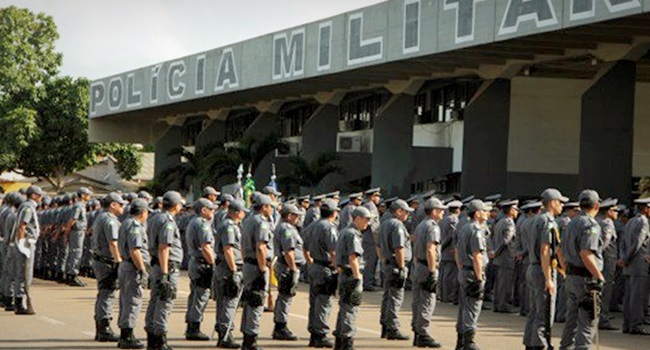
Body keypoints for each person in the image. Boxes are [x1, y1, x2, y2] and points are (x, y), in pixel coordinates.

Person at [559, 190, 606, 349]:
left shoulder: (571, 223)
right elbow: (586, 253)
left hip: (572, 276)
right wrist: (599, 276)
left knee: (571, 320)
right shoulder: (591, 225)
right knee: (587, 322)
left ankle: (565, 347)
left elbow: (559, 250)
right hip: (587, 279)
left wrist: (567, 270)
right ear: (597, 205)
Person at [523, 189, 567, 350]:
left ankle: (530, 343)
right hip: (542, 269)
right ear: (553, 202)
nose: (562, 205)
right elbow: (545, 250)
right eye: (560, 202)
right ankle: (541, 344)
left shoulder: (536, 219)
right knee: (545, 311)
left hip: (533, 267)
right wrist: (548, 278)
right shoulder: (548, 221)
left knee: (535, 311)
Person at [145, 191, 184, 350]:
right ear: (175, 205)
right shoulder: (167, 221)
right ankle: (160, 340)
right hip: (165, 266)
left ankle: (152, 336)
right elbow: (164, 248)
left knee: (155, 300)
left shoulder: (155, 217)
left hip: (157, 265)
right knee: (164, 300)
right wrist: (166, 273)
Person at [333, 206, 373, 350]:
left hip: (344, 274)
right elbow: (353, 258)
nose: (368, 223)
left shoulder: (345, 231)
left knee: (344, 308)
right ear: (357, 218)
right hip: (351, 275)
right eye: (366, 219)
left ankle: (339, 341)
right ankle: (347, 342)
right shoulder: (352, 234)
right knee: (350, 309)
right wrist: (358, 279)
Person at [240, 194, 275, 350]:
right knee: (256, 300)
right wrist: (262, 270)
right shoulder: (261, 222)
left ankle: (247, 336)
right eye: (270, 206)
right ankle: (251, 339)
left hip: (248, 264)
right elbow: (261, 247)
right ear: (264, 207)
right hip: (256, 265)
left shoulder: (248, 220)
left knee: (249, 300)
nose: (272, 209)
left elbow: (242, 246)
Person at [454, 199, 490, 350]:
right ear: (477, 213)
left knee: (464, 306)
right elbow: (477, 256)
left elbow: (457, 251)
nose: (487, 213)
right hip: (473, 272)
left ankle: (461, 341)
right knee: (472, 308)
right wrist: (479, 277)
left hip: (465, 270)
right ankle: (469, 342)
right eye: (484, 210)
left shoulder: (464, 228)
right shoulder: (476, 230)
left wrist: (461, 267)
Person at [410, 198, 446, 348]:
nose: (443, 212)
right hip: (427, 267)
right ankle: (423, 333)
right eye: (441, 209)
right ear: (434, 211)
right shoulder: (432, 227)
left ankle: (418, 332)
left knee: (418, 300)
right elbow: (431, 249)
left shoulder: (421, 225)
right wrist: (432, 272)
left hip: (419, 265)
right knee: (427, 301)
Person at [92, 192, 128, 342]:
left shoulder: (102, 217)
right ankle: (104, 329)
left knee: (104, 293)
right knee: (107, 294)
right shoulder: (110, 220)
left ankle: (101, 327)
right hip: (107, 262)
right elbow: (113, 243)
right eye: (121, 204)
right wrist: (119, 262)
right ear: (113, 204)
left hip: (102, 260)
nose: (123, 208)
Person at [117, 199, 151, 349]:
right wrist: (142, 269)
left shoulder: (125, 222)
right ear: (143, 212)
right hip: (132, 267)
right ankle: (127, 336)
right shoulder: (135, 226)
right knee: (133, 301)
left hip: (126, 265)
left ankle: (125, 333)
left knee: (126, 300)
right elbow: (135, 250)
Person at [305, 198, 339, 348]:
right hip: (325, 267)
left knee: (314, 302)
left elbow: (305, 247)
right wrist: (337, 267)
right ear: (334, 212)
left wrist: (310, 262)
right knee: (324, 302)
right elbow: (333, 251)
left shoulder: (313, 225)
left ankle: (314, 333)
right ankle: (321, 334)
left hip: (314, 266)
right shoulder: (329, 227)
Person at [379, 199, 413, 340]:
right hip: (395, 265)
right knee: (395, 297)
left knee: (388, 296)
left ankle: (385, 326)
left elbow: (379, 246)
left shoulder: (385, 223)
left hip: (388, 264)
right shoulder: (397, 225)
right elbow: (399, 248)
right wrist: (402, 267)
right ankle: (392, 327)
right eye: (406, 212)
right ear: (398, 211)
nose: (408, 215)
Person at [184, 198, 217, 341]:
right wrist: (213, 264)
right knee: (201, 296)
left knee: (195, 295)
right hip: (202, 263)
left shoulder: (194, 221)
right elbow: (206, 247)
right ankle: (194, 327)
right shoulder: (202, 224)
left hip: (195, 262)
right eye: (212, 209)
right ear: (204, 210)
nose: (214, 212)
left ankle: (191, 324)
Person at [272, 203, 305, 341]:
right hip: (287, 266)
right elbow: (288, 251)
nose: (298, 218)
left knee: (284, 297)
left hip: (286, 265)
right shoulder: (287, 229)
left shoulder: (286, 227)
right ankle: (281, 327)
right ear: (290, 215)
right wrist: (293, 269)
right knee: (285, 297)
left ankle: (280, 325)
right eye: (296, 215)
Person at [621, 197, 650, 335]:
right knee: (638, 297)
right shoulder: (644, 222)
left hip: (629, 264)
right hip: (638, 264)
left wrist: (623, 258)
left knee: (629, 297)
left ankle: (627, 324)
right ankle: (636, 325)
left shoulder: (631, 221)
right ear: (645, 208)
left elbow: (623, 243)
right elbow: (637, 243)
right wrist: (626, 258)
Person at [492, 199, 519, 313]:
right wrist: (496, 252)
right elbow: (506, 241)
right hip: (505, 257)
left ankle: (497, 304)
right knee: (505, 283)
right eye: (515, 209)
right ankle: (503, 305)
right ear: (511, 210)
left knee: (499, 283)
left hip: (500, 258)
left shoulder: (500, 221)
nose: (517, 212)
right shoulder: (509, 223)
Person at [554, 201, 580, 323]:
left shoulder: (560, 220)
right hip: (562, 259)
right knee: (564, 289)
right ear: (571, 211)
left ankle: (559, 313)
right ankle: (561, 314)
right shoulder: (566, 222)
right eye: (576, 211)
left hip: (557, 258)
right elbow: (563, 244)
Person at [596, 198, 620, 331]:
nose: (617, 213)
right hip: (607, 261)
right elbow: (604, 243)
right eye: (615, 210)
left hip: (603, 261)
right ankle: (603, 319)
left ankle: (600, 316)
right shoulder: (607, 223)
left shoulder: (599, 221)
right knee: (606, 290)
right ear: (609, 211)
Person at [64, 187, 92, 287]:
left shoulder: (81, 205)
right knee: (76, 252)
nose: (89, 196)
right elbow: (72, 220)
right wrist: (67, 233)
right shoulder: (79, 206)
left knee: (75, 252)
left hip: (78, 232)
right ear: (83, 195)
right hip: (77, 232)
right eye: (88, 194)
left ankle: (70, 274)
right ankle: (72, 275)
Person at [439, 200, 462, 304]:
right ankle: (447, 296)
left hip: (444, 251)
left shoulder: (444, 219)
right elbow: (451, 236)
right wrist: (444, 246)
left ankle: (443, 295)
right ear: (457, 210)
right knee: (449, 275)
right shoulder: (454, 220)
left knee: (444, 274)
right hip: (449, 251)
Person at [362, 188, 381, 292]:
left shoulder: (368, 205)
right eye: (377, 196)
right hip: (371, 238)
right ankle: (367, 283)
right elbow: (372, 225)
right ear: (373, 196)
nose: (378, 199)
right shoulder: (370, 206)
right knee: (370, 261)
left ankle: (368, 281)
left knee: (370, 261)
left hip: (369, 238)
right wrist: (377, 240)